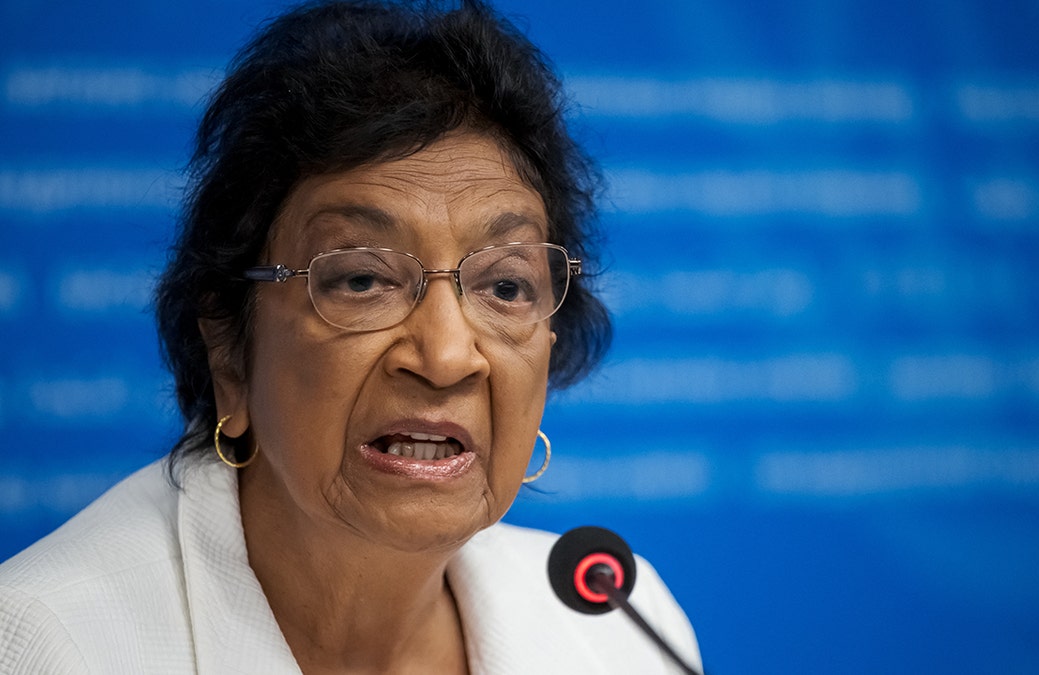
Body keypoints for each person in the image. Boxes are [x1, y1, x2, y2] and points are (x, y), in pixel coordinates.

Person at [0, 1, 702, 672]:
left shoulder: (617, 630)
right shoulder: (49, 644)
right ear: (229, 353)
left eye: (504, 286)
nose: (448, 356)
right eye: (363, 279)